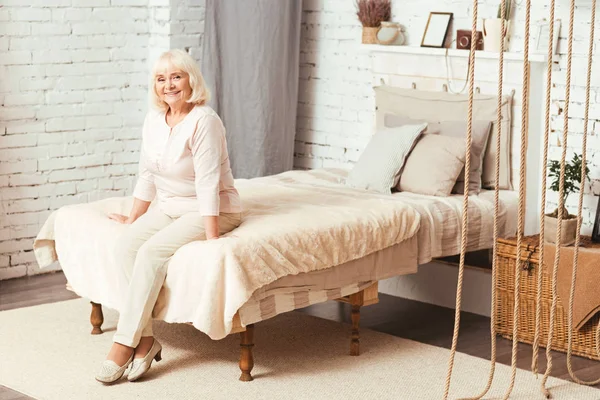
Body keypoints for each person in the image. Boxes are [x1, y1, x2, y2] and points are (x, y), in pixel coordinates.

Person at [95, 49, 242, 384]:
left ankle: (122, 343)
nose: (168, 85)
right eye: (161, 79)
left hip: (213, 209)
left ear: (191, 79)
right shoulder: (154, 120)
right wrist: (134, 217)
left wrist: (212, 236)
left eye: (176, 76)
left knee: (150, 253)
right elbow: (147, 174)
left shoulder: (205, 121)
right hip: (171, 206)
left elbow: (208, 181)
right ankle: (146, 341)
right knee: (125, 247)